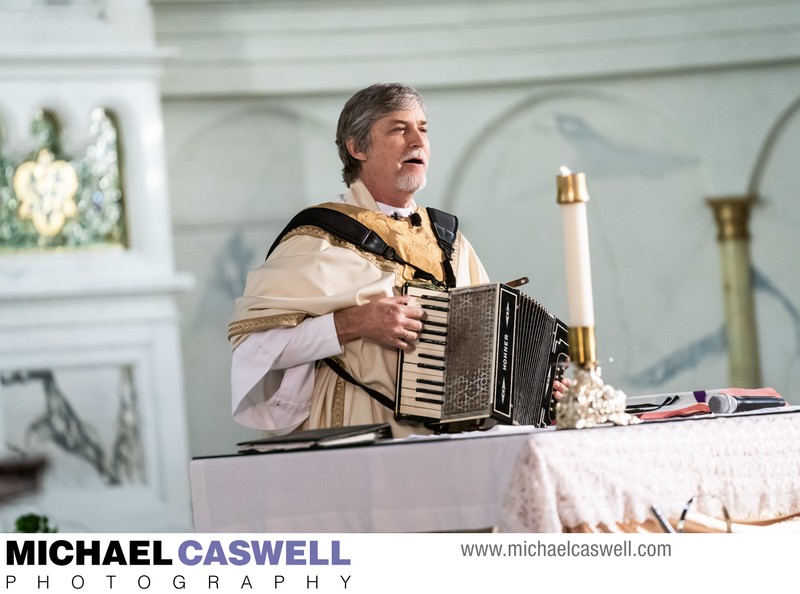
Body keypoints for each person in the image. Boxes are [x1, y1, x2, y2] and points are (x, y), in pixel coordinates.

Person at [228, 82, 568, 437]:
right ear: (358, 148)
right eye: (399, 129)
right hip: (360, 431)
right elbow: (254, 352)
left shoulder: (450, 242)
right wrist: (352, 323)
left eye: (422, 130)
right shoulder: (318, 239)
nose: (417, 141)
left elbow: (486, 350)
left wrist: (540, 389)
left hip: (453, 441)